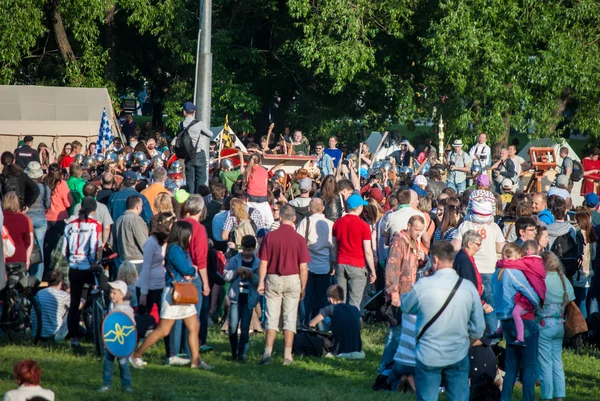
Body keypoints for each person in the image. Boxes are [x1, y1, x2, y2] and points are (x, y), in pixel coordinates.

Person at [401, 241, 485, 401]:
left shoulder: (423, 285)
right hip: (458, 351)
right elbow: (479, 328)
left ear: (435, 260)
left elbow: (405, 306)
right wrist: (467, 341)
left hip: (428, 352)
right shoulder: (468, 287)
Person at [130, 221, 204, 369]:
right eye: (189, 234)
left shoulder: (181, 249)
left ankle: (196, 361)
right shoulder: (175, 250)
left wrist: (191, 270)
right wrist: (193, 270)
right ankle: (136, 355)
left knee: (194, 326)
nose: (191, 237)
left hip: (183, 294)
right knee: (163, 330)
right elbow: (186, 269)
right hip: (173, 295)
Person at [257, 205, 310, 366]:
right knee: (290, 317)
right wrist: (303, 287)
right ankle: (287, 355)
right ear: (294, 219)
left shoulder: (270, 237)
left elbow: (263, 262)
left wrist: (261, 281)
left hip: (274, 278)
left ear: (280, 217)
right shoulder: (299, 239)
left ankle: (267, 352)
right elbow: (303, 267)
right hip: (293, 278)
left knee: (271, 317)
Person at [492, 244, 541, 401]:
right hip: (523, 321)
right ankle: (528, 398)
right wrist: (537, 304)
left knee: (512, 364)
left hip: (505, 321)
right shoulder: (512, 272)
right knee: (529, 365)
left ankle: (505, 397)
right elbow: (529, 292)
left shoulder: (495, 274)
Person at [452, 190, 505, 335]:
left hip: (470, 270)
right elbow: (501, 247)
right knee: (490, 308)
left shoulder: (465, 225)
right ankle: (492, 336)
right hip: (489, 269)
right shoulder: (494, 227)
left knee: (471, 305)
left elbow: (455, 247)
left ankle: (473, 335)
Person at [378, 215, 425, 373]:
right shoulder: (399, 240)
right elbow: (391, 268)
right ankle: (384, 367)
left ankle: (394, 366)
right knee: (395, 332)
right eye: (416, 229)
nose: (418, 233)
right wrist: (393, 293)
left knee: (403, 332)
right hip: (399, 294)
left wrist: (422, 259)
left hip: (409, 293)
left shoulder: (413, 241)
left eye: (420, 230)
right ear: (409, 226)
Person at [62, 197, 102, 351]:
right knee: (99, 292)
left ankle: (73, 337)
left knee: (74, 302)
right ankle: (94, 323)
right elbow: (94, 247)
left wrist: (71, 259)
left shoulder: (70, 225)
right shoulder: (94, 225)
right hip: (87, 266)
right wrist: (93, 262)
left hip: (73, 266)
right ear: (94, 210)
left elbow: (63, 249)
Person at [537, 251, 575, 401]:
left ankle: (546, 395)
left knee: (545, 363)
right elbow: (571, 298)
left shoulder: (541, 280)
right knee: (557, 361)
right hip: (560, 324)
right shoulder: (563, 280)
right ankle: (560, 395)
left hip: (544, 324)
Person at [496, 241, 547, 346]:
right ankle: (505, 333)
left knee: (514, 313)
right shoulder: (538, 263)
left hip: (527, 299)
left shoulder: (526, 262)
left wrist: (500, 263)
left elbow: (512, 263)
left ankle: (519, 337)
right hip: (538, 293)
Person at [332, 194, 377, 310]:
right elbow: (367, 251)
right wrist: (373, 270)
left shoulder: (337, 223)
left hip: (341, 263)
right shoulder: (364, 226)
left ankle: (339, 324)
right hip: (357, 265)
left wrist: (333, 263)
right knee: (354, 302)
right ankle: (353, 326)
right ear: (359, 208)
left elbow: (334, 247)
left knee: (339, 301)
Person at [295, 198, 334, 326]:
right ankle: (318, 324)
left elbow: (298, 245)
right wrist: (332, 263)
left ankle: (305, 324)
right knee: (322, 299)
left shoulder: (305, 222)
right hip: (325, 266)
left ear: (309, 209)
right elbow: (333, 247)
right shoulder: (330, 224)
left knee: (306, 297)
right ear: (323, 209)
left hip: (307, 266)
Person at [224, 235, 260, 362]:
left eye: (250, 250)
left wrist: (252, 276)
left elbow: (260, 282)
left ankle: (242, 353)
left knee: (245, 328)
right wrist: (235, 272)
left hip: (248, 298)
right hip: (235, 297)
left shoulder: (257, 263)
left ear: (254, 249)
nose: (247, 253)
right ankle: (234, 350)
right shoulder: (235, 260)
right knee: (233, 326)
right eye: (245, 249)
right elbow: (225, 275)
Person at [98, 280, 134, 393]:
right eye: (111, 292)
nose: (111, 295)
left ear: (122, 294)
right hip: (111, 341)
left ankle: (126, 385)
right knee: (107, 363)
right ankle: (107, 384)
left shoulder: (126, 309)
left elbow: (130, 326)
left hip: (121, 343)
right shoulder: (111, 305)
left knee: (123, 364)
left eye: (114, 293)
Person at [309, 284, 363, 358]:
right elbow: (361, 324)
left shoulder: (330, 308)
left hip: (338, 350)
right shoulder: (354, 309)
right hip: (357, 348)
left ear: (330, 299)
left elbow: (312, 323)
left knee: (324, 319)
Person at [453, 230, 491, 311]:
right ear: (470, 244)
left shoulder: (466, 257)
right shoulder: (464, 260)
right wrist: (482, 303)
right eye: (478, 244)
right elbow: (468, 283)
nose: (479, 247)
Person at [24, 162, 50, 281]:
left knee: (27, 248)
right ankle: (38, 279)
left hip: (27, 219)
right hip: (40, 219)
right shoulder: (45, 187)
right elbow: (47, 204)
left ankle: (26, 277)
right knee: (40, 250)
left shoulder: (24, 187)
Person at [180, 102, 212, 194]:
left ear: (184, 112)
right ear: (194, 112)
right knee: (200, 180)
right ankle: (199, 200)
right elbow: (210, 134)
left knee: (190, 180)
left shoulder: (181, 124)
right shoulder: (199, 124)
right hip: (198, 154)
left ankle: (190, 199)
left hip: (188, 155)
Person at [114, 196, 148, 274]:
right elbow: (143, 241)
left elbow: (113, 243)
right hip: (137, 261)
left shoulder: (119, 219)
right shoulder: (136, 219)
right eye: (141, 206)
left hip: (122, 260)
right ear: (137, 207)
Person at [3, 192, 33, 278]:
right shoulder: (23, 219)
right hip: (19, 256)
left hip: (4, 257)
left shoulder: (2, 218)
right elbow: (27, 241)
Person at [34, 270, 70, 341]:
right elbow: (81, 305)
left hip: (37, 334)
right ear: (61, 282)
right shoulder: (63, 295)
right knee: (72, 310)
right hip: (54, 335)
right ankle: (85, 333)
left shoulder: (39, 293)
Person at [574, 211, 596, 315]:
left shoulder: (577, 234)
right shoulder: (591, 235)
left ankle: (582, 326)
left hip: (578, 273)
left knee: (580, 303)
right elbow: (594, 256)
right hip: (589, 272)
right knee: (584, 301)